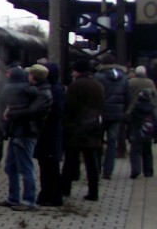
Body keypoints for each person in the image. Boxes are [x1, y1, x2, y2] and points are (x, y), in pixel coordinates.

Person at [0, 65, 50, 211]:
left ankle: (29, 201)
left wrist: (11, 113)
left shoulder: (42, 93)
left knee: (26, 167)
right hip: (17, 131)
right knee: (10, 166)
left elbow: (31, 112)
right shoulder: (32, 90)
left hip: (26, 132)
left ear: (34, 76)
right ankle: (13, 197)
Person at [63, 58, 105, 201]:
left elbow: (69, 106)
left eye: (74, 70)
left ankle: (65, 189)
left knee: (70, 161)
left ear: (78, 71)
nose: (73, 73)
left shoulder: (75, 86)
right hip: (93, 127)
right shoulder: (98, 85)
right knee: (91, 162)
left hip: (75, 128)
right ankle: (93, 192)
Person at [36, 61, 66, 207]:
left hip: (50, 133)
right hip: (49, 133)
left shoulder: (54, 90)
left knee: (50, 166)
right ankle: (47, 194)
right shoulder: (55, 88)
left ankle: (52, 196)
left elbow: (57, 112)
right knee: (46, 165)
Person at [95, 54, 129, 180]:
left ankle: (97, 168)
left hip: (100, 114)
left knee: (97, 141)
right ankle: (108, 171)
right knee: (112, 142)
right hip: (116, 115)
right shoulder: (124, 78)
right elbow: (127, 97)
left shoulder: (98, 77)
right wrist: (123, 111)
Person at [128, 87, 155, 179]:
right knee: (147, 152)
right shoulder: (151, 108)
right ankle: (148, 171)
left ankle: (136, 170)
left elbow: (130, 120)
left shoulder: (136, 107)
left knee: (135, 152)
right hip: (147, 134)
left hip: (137, 133)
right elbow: (155, 122)